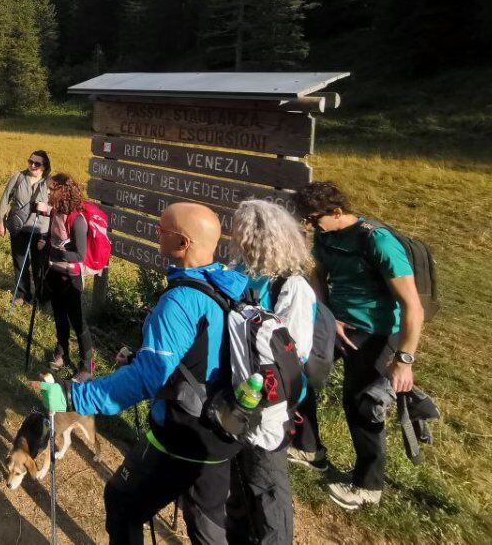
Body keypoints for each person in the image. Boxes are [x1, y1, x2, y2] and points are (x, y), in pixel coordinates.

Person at [68, 202, 249, 545]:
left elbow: (145, 378)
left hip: (180, 434)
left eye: (162, 229)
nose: (155, 233)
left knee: (122, 503)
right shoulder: (230, 285)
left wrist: (75, 396)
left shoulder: (180, 301)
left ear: (182, 244)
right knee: (208, 526)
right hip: (223, 432)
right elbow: (201, 354)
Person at [295, 180, 424, 510]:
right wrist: (326, 315)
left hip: (377, 330)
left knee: (361, 402)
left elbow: (413, 305)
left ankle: (368, 486)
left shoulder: (376, 240)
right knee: (300, 374)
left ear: (337, 212)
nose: (308, 226)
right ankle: (310, 450)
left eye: (312, 219)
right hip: (337, 323)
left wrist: (404, 359)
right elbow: (318, 276)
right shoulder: (325, 235)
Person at [225, 199, 317, 545]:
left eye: (245, 232)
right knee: (237, 488)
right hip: (235, 396)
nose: (238, 238)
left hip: (270, 408)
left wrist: (264, 400)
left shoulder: (291, 288)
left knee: (267, 489)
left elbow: (294, 354)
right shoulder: (238, 269)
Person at [42, 173, 95, 381]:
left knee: (78, 321)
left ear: (61, 192)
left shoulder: (78, 219)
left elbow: (79, 255)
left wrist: (55, 253)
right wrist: (45, 245)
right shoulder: (55, 212)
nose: (47, 191)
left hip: (71, 278)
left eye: (50, 189)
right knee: (59, 316)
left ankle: (87, 366)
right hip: (54, 273)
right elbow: (52, 238)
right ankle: (62, 352)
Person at [0, 149, 51, 305]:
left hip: (41, 230)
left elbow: (57, 208)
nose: (32, 165)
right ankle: (22, 294)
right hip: (18, 227)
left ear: (44, 166)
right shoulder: (19, 177)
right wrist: (1, 222)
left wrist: (46, 208)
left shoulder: (49, 182)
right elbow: (4, 199)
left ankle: (41, 297)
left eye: (37, 163)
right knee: (20, 263)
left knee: (39, 265)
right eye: (30, 161)